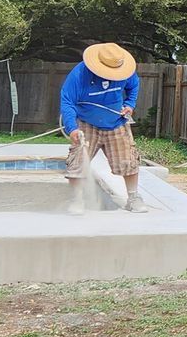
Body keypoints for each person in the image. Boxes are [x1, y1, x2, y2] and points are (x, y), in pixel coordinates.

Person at [60, 42, 145, 214]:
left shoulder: (125, 72)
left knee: (128, 161)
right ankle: (77, 199)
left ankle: (133, 197)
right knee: (77, 162)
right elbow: (67, 101)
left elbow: (134, 85)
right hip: (86, 123)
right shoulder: (79, 75)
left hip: (116, 122)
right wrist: (72, 129)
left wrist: (129, 104)